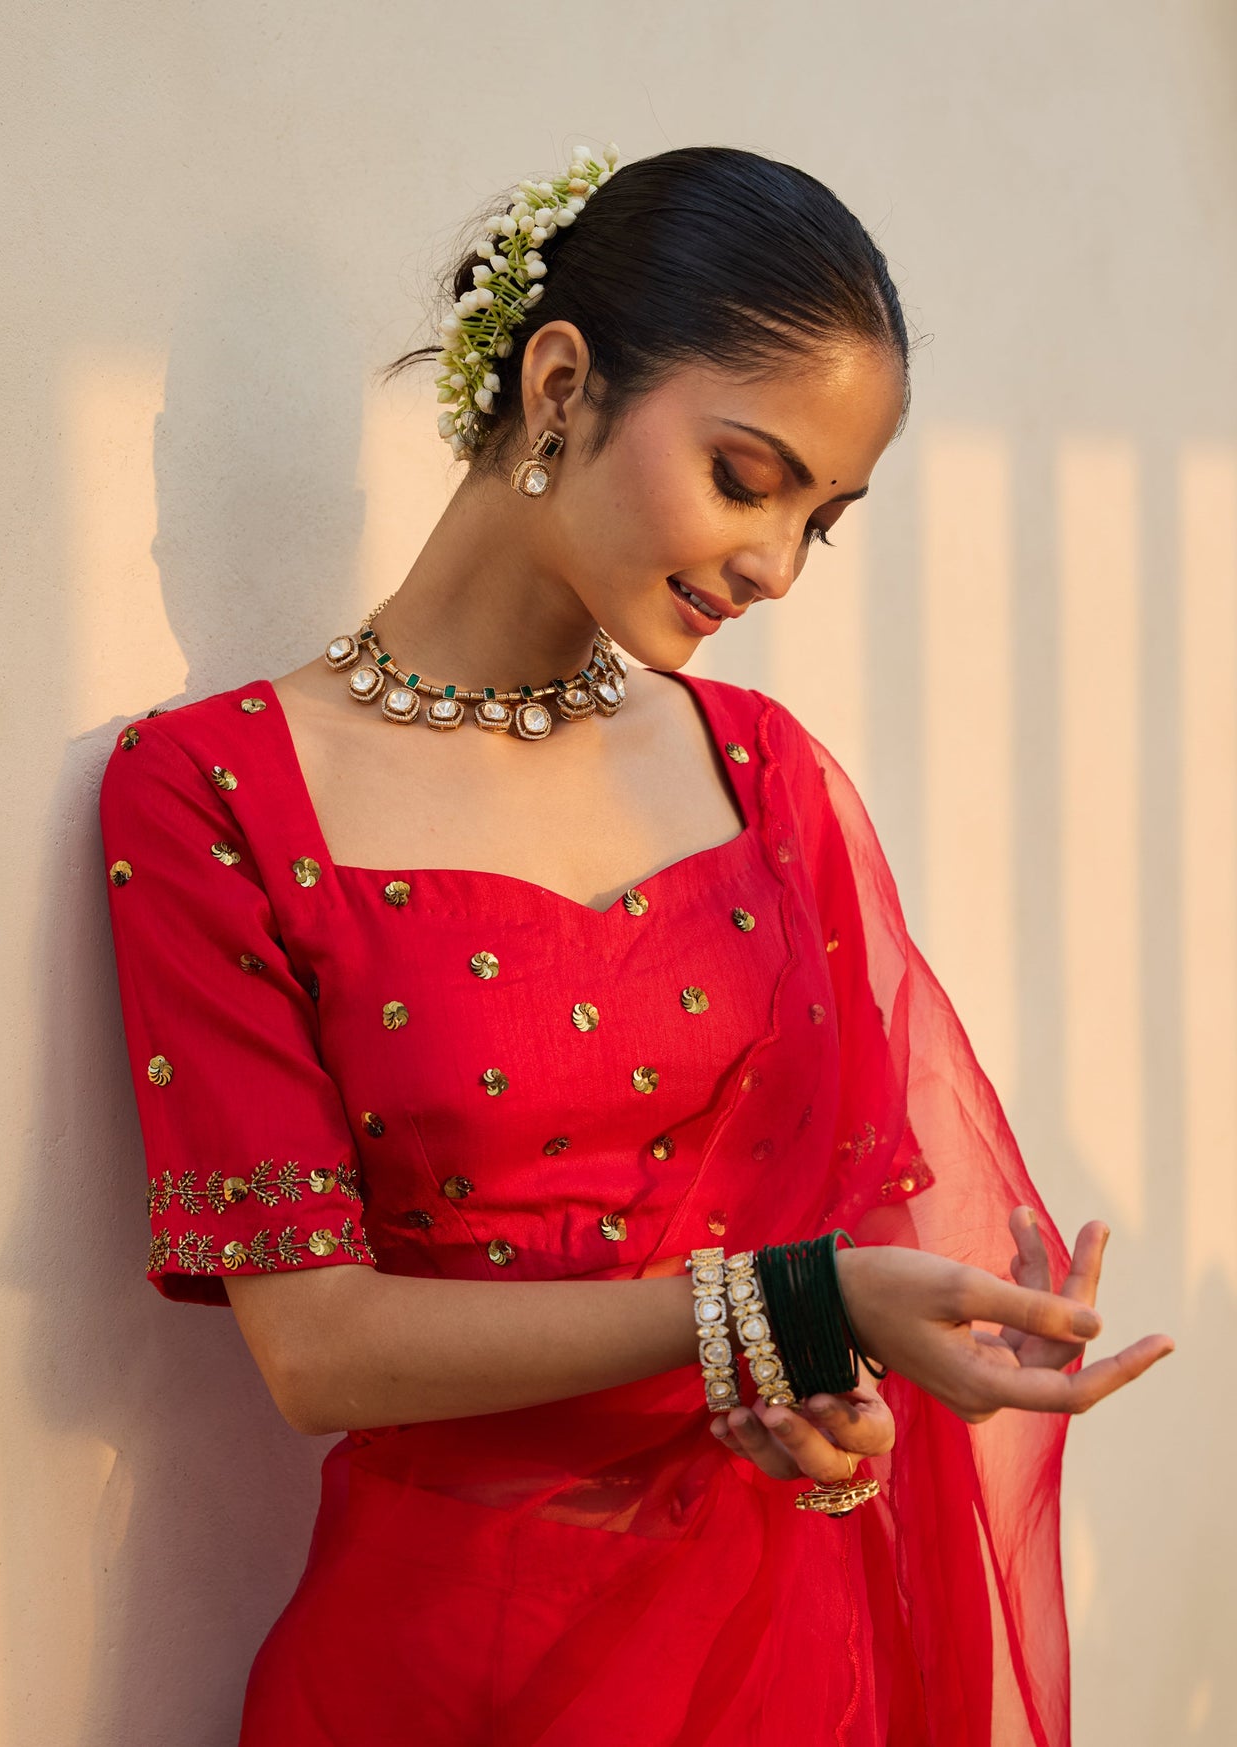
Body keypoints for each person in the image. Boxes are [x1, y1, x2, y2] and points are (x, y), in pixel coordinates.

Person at [97, 143, 1173, 1745]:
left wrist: (824, 1383)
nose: (776, 565)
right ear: (560, 381)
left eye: (826, 516)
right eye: (750, 477)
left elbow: (832, 1216)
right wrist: (801, 1307)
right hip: (442, 1660)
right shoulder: (215, 795)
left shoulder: (763, 777)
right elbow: (317, 1350)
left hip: (770, 1656)